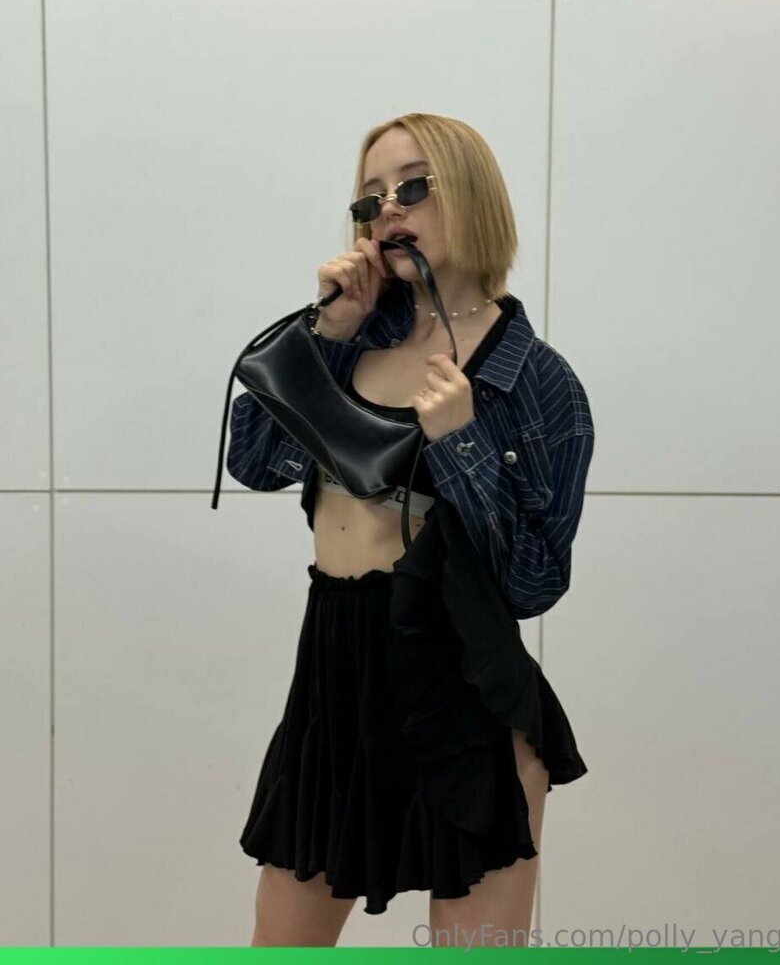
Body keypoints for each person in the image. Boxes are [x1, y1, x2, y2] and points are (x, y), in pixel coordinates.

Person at [226, 112, 596, 947]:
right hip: (334, 676)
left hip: (459, 684)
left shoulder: (535, 379)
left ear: (470, 194)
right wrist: (326, 334)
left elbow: (535, 581)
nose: (388, 208)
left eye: (414, 186)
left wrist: (462, 443)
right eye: (370, 198)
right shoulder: (349, 338)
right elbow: (253, 461)